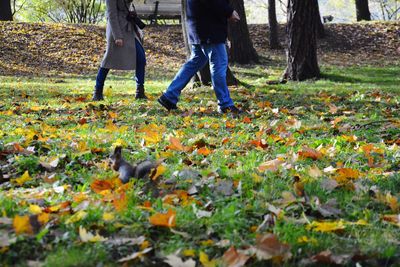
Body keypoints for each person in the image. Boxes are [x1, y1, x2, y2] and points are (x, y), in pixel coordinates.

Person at [157, 0, 242, 114]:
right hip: (210, 29)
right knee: (218, 65)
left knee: (195, 62)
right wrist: (229, 11)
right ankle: (225, 104)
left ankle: (169, 96)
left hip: (199, 27)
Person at [93, 0, 147, 101]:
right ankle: (97, 92)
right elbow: (111, 14)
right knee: (108, 60)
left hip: (129, 28)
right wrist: (117, 36)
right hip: (116, 30)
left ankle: (140, 92)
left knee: (141, 58)